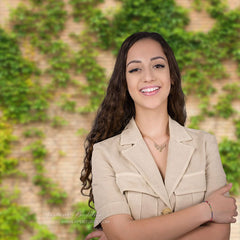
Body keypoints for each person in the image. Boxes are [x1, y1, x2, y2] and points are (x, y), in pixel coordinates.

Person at [81, 32, 238, 240]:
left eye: (158, 65)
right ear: (125, 82)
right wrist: (206, 210)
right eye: (135, 69)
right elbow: (122, 235)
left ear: (171, 75)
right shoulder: (105, 153)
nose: (148, 76)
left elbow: (219, 236)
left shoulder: (205, 144)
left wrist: (131, 235)